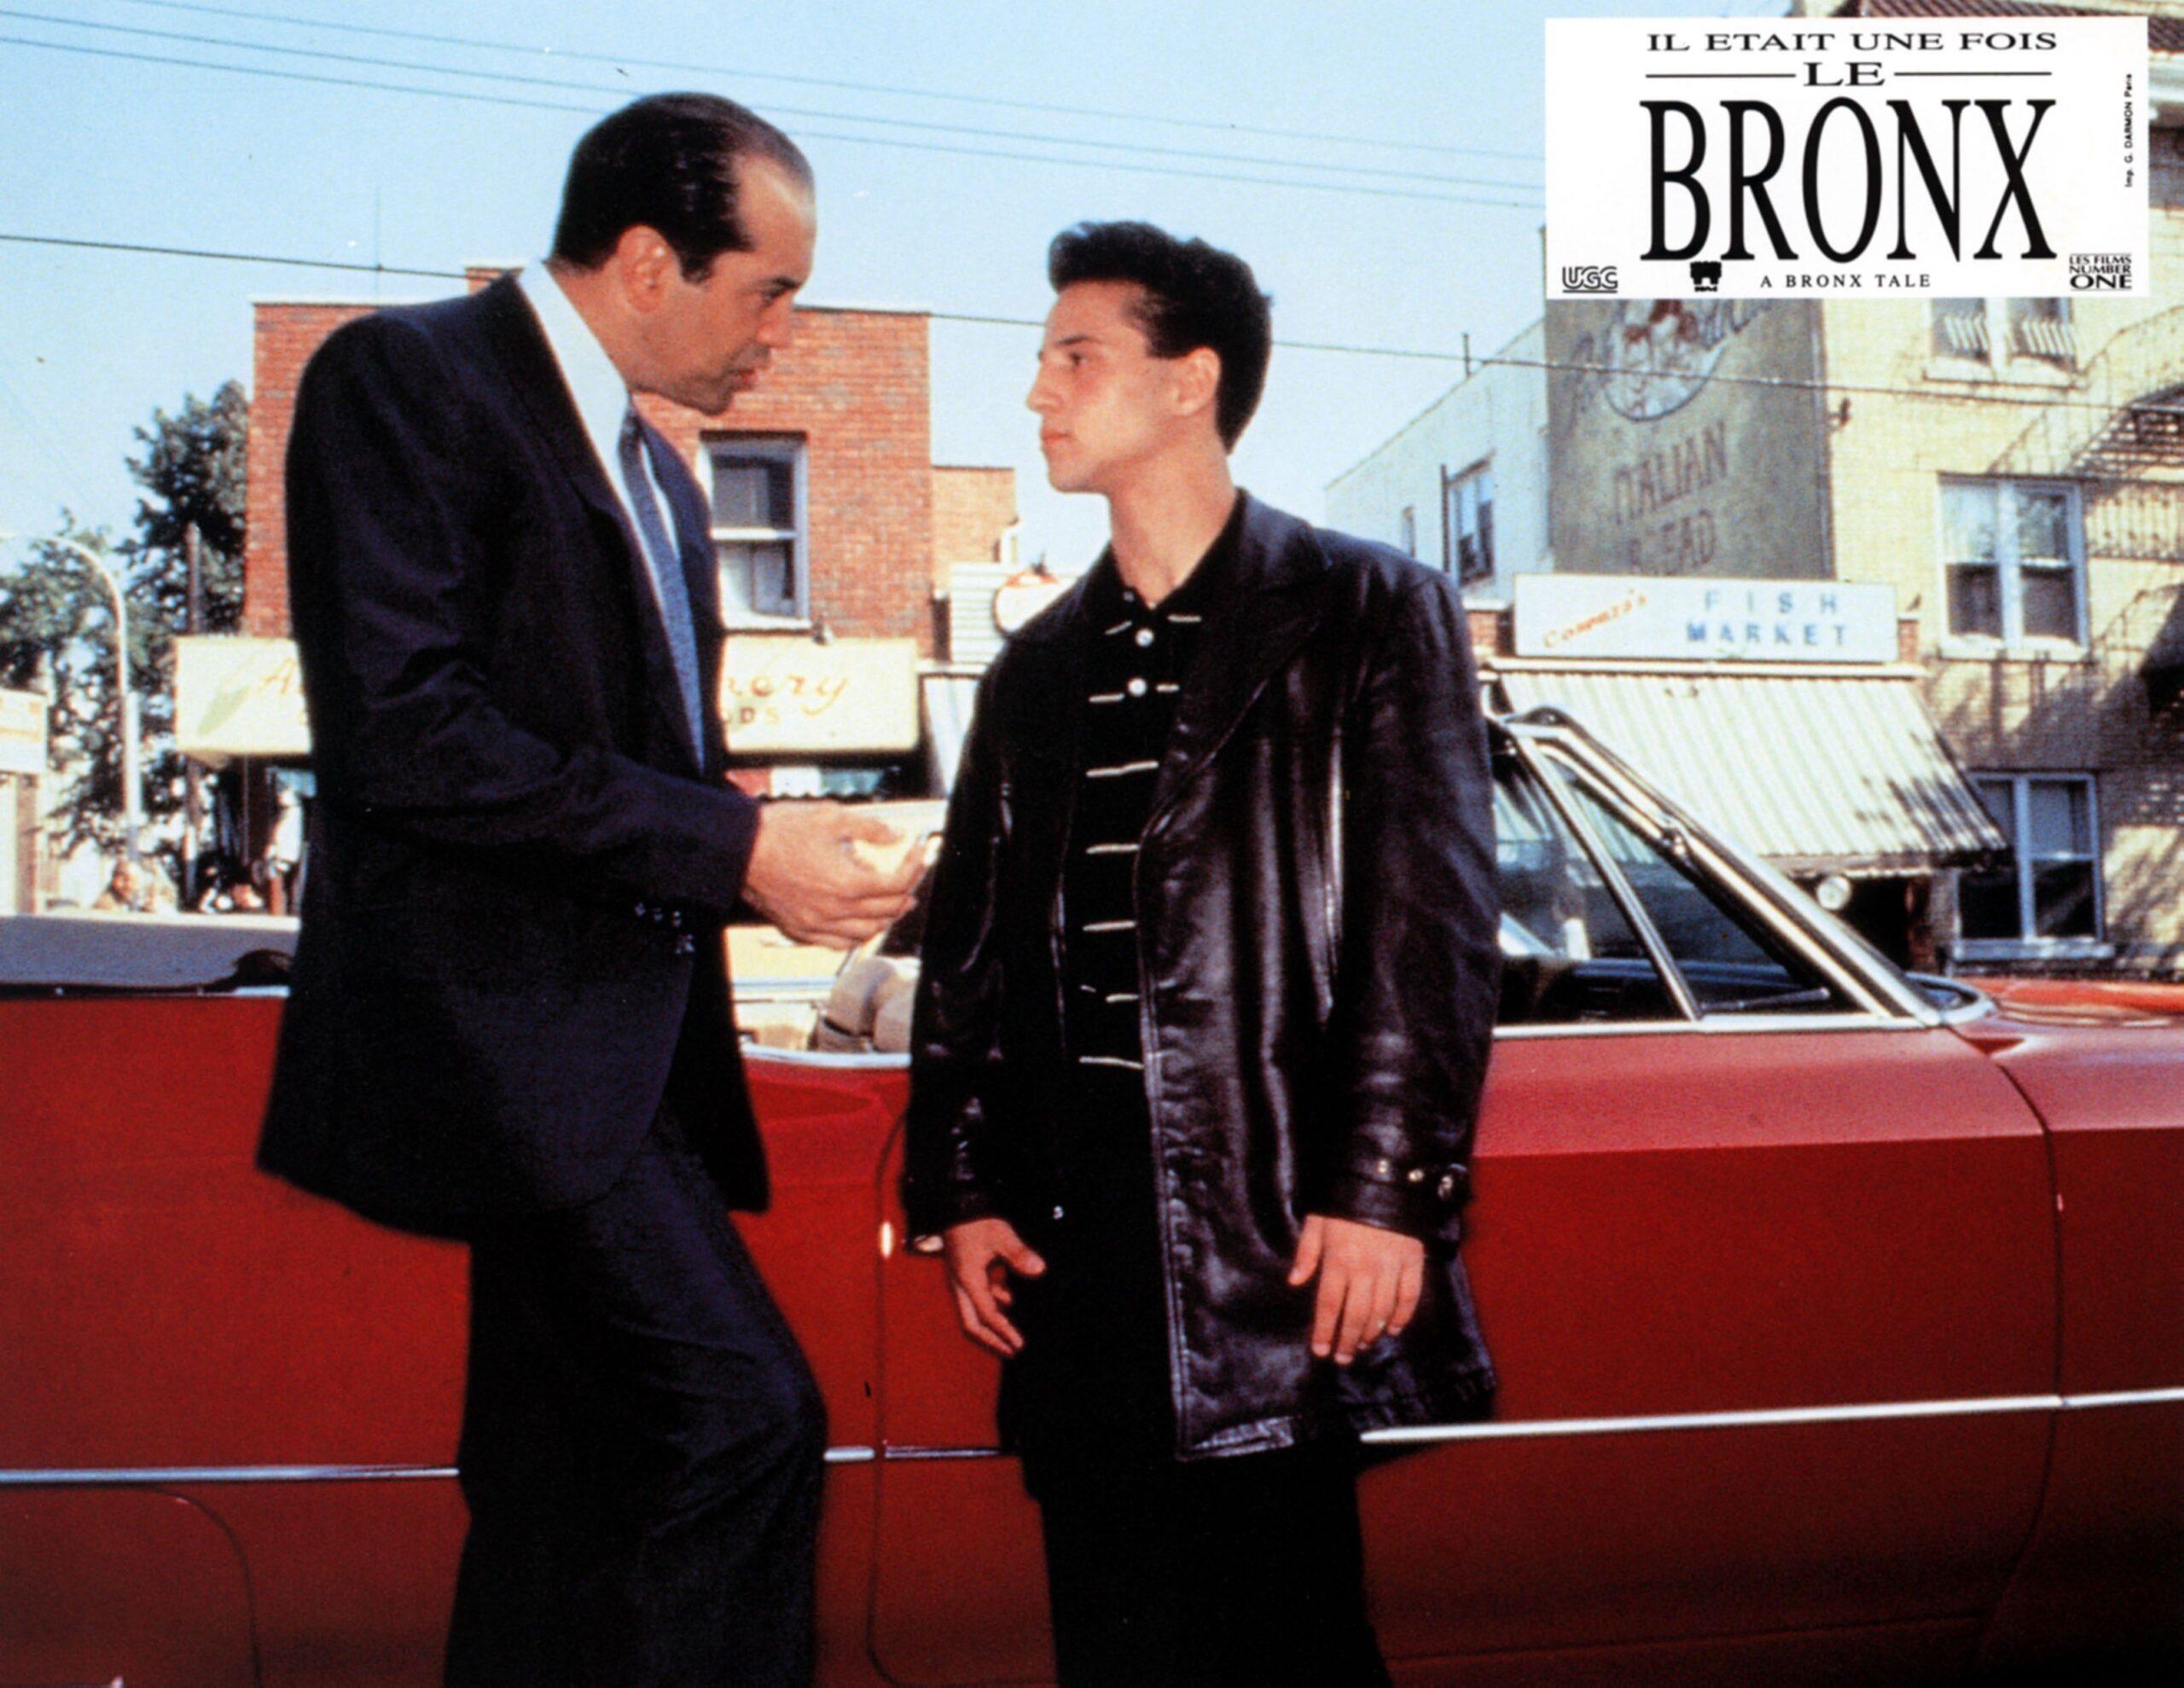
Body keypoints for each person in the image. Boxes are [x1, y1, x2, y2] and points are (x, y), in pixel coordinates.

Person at [257, 93, 920, 1686]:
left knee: (564, 1491)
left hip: (621, 1083)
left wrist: (781, 866)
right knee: (745, 1425)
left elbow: (635, 784)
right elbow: (408, 737)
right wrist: (738, 852)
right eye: (768, 291)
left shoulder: (667, 484)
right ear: (645, 261)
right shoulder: (403, 380)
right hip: (496, 1066)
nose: (781, 333)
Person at [903, 222, 1501, 1686]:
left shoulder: (1365, 608)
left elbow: (1428, 924)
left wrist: (1385, 1192)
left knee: (1287, 1635)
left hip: (1274, 1209)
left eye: (1076, 357)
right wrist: (966, 1188)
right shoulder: (1035, 668)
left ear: (1192, 381)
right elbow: (972, 954)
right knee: (1113, 1637)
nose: (1037, 392)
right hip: (1076, 1235)